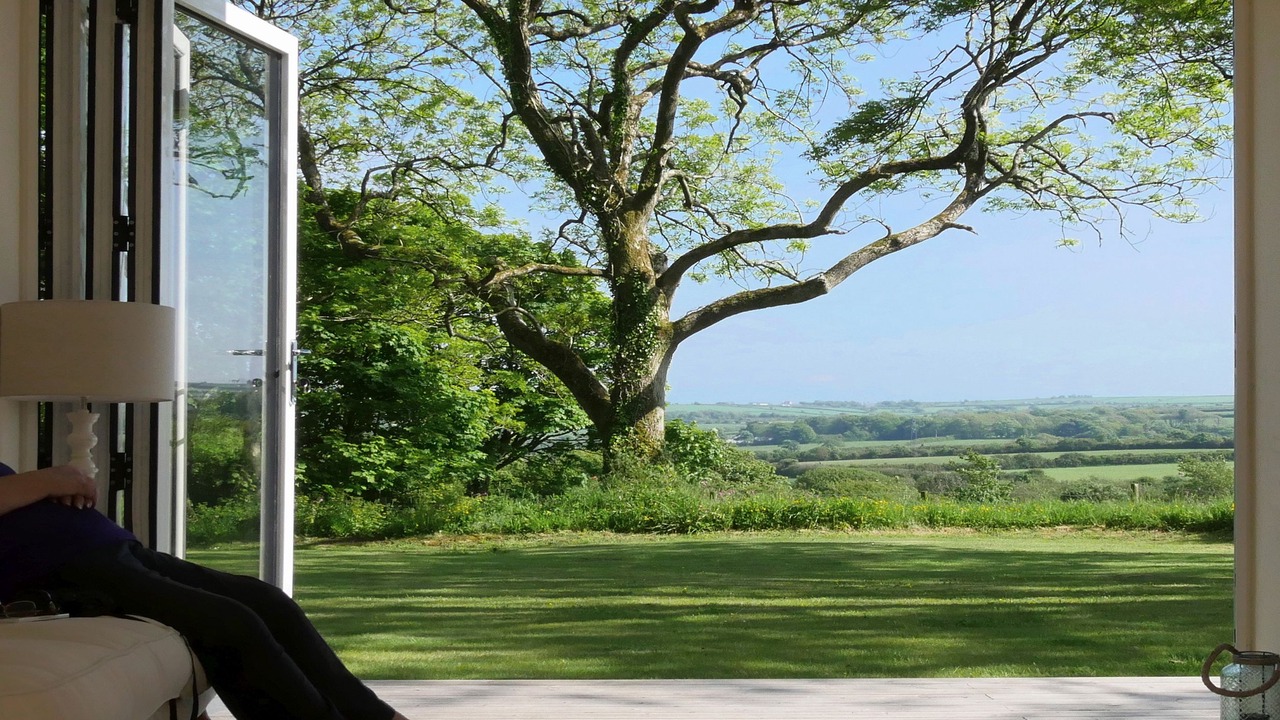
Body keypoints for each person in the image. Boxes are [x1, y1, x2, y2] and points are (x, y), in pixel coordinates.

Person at [0, 461, 410, 720]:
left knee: (265, 599)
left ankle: (378, 716)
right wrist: (52, 479)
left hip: (105, 547)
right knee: (229, 624)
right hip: (51, 568)